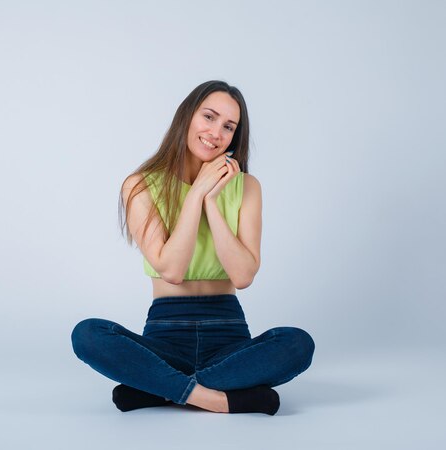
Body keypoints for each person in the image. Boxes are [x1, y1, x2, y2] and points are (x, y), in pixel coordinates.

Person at [71, 80, 315, 415]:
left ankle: (159, 389)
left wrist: (212, 201)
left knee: (298, 344)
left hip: (228, 336)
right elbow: (171, 269)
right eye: (209, 117)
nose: (216, 133)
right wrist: (197, 192)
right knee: (88, 334)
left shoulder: (248, 187)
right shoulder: (140, 185)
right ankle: (218, 398)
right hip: (165, 337)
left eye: (228, 126)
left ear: (235, 137)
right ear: (187, 117)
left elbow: (243, 276)